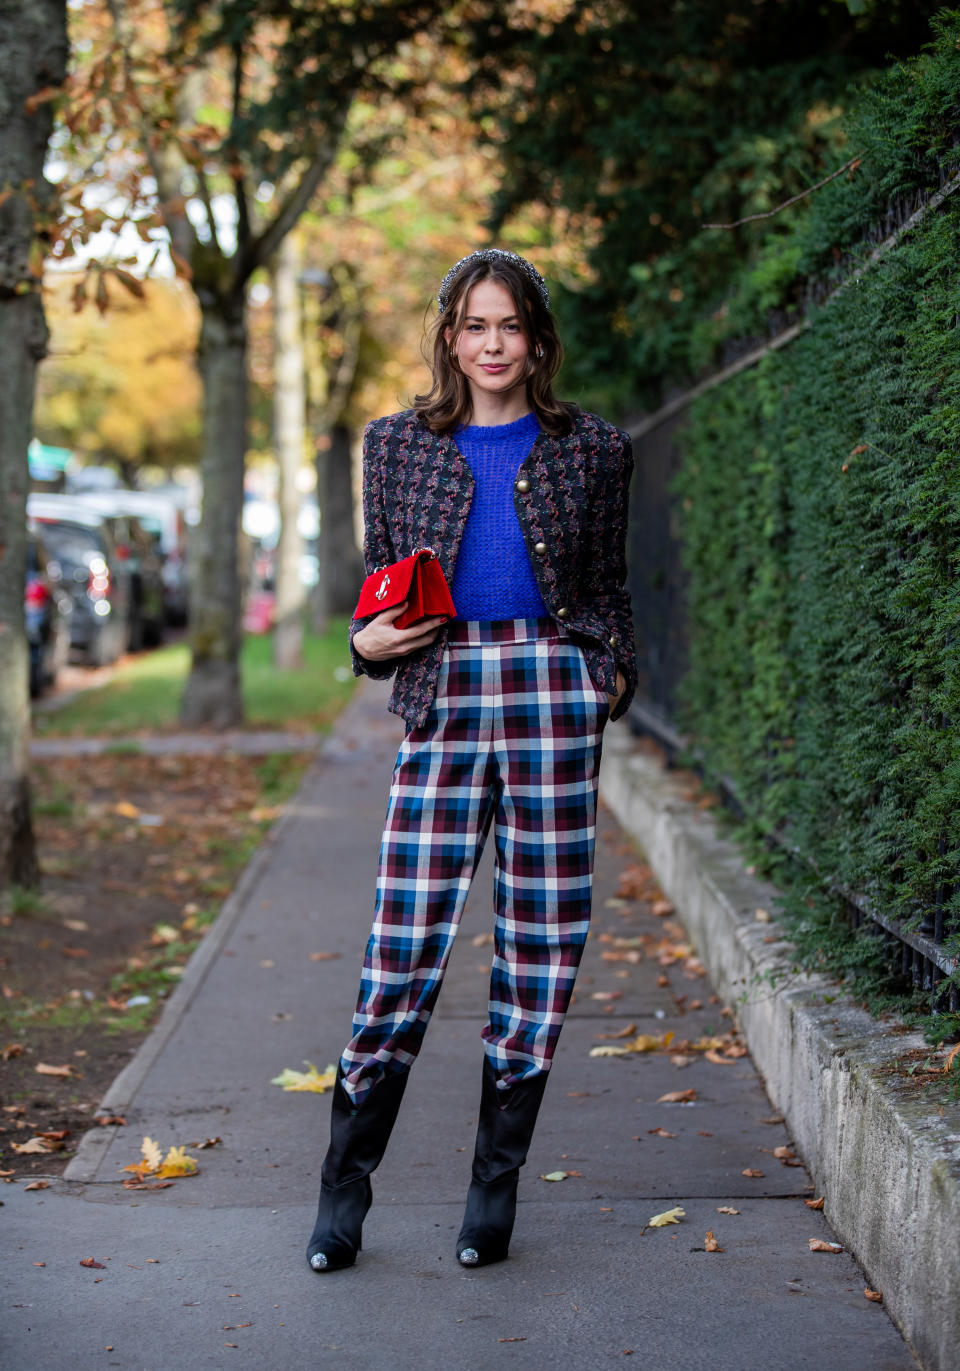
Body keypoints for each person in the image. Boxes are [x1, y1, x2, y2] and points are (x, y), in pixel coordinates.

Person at [306, 247, 637, 1273]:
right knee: (404, 941)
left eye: (511, 326)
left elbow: (611, 587)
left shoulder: (595, 449)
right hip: (445, 690)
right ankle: (342, 1188)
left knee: (541, 939)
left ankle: (492, 1193)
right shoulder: (396, 444)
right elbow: (380, 587)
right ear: (451, 337)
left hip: (549, 689)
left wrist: (606, 674)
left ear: (537, 339)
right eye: (474, 326)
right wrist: (362, 648)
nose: (493, 345)